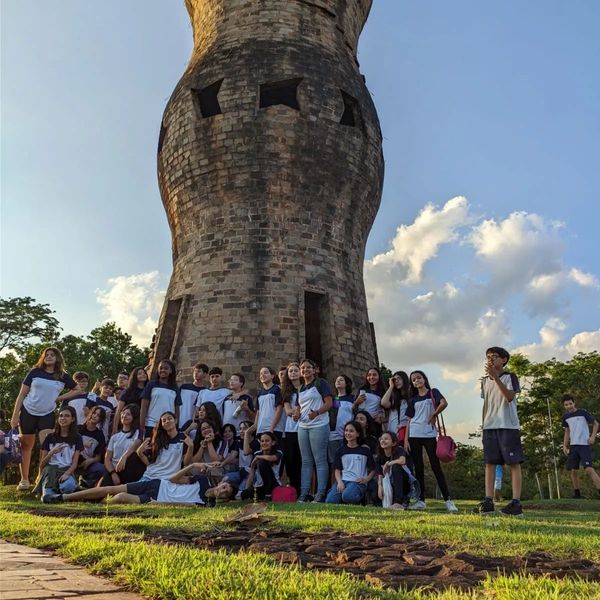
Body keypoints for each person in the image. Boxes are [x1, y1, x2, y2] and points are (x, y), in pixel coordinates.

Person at [10, 347, 81, 491]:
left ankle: (41, 477)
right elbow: (22, 394)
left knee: (46, 446)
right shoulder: (35, 372)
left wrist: (59, 398)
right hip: (27, 411)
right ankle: (24, 479)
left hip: (47, 413)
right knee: (26, 445)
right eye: (46, 355)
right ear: (43, 358)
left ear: (57, 358)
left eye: (52, 355)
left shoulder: (62, 376)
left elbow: (78, 389)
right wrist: (15, 415)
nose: (49, 357)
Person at [44, 462, 237, 505]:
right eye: (224, 486)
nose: (222, 490)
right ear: (220, 483)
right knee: (109, 488)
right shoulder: (202, 480)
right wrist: (192, 466)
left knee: (118, 498)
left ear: (225, 498)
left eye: (226, 492)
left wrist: (158, 504)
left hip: (155, 498)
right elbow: (173, 479)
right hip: (157, 484)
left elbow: (182, 504)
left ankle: (91, 503)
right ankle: (62, 497)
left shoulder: (206, 505)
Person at [476, 347, 523, 516]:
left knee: (513, 463)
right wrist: (484, 424)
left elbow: (509, 396)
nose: (490, 359)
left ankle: (516, 503)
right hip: (490, 426)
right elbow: (487, 402)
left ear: (503, 360)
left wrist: (496, 378)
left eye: (494, 357)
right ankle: (488, 501)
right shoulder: (484, 381)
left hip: (507, 426)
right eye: (488, 357)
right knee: (490, 463)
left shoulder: (510, 377)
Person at [405, 370, 458, 513]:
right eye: (414, 380)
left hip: (429, 434)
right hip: (414, 434)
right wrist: (406, 440)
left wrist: (434, 414)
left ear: (424, 379)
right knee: (419, 468)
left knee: (436, 466)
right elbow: (409, 421)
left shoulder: (433, 392)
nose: (417, 381)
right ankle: (421, 501)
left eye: (419, 378)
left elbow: (444, 403)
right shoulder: (413, 400)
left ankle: (448, 500)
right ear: (412, 383)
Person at [297, 359, 333, 503]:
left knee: (320, 460)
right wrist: (296, 413)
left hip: (319, 424)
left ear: (314, 370)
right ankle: (304, 493)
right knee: (306, 461)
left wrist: (317, 412)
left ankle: (320, 493)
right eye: (303, 368)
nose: (305, 370)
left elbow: (329, 403)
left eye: (308, 368)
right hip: (303, 426)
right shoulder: (301, 388)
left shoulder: (321, 383)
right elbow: (299, 406)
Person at [35, 406, 83, 502]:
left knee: (68, 488)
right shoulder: (50, 437)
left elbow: (74, 464)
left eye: (67, 416)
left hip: (66, 470)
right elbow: (42, 464)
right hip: (50, 471)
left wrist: (67, 474)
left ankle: (63, 491)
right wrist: (51, 453)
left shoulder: (77, 438)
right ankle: (55, 493)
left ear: (72, 419)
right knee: (47, 497)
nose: (63, 418)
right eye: (60, 416)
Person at [326, 421, 375, 505]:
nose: (348, 433)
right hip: (343, 481)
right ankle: (345, 497)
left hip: (357, 482)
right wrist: (340, 482)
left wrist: (366, 479)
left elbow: (373, 469)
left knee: (347, 496)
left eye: (351, 431)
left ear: (358, 434)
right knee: (330, 501)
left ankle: (360, 498)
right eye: (346, 430)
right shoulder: (340, 450)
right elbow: (337, 470)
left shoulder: (365, 450)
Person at [562, 394, 600, 498]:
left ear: (574, 403)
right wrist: (564, 446)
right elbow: (567, 431)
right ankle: (577, 494)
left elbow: (596, 424)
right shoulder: (565, 417)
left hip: (584, 445)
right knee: (573, 471)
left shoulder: (583, 413)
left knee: (588, 469)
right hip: (573, 447)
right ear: (564, 406)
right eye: (566, 405)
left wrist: (592, 437)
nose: (569, 406)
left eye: (570, 403)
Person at [135, 412, 191, 481]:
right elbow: (148, 461)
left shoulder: (183, 438)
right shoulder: (158, 439)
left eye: (169, 419)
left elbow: (186, 463)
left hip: (167, 479)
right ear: (162, 425)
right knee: (124, 491)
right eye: (164, 421)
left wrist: (191, 447)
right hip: (150, 476)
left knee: (124, 491)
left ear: (175, 421)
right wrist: (139, 451)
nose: (167, 421)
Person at [100, 404, 145, 487]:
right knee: (100, 491)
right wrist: (113, 473)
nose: (124, 416)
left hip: (129, 469)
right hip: (114, 470)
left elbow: (136, 445)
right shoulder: (115, 436)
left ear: (134, 417)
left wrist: (123, 457)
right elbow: (107, 459)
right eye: (123, 413)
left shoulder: (139, 432)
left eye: (128, 414)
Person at [139, 360, 181, 438]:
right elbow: (144, 406)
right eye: (160, 368)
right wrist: (142, 425)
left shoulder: (175, 388)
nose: (163, 370)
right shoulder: (151, 384)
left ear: (171, 371)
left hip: (168, 425)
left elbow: (177, 408)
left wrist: (176, 425)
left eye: (166, 368)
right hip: (151, 424)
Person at [241, 431, 283, 501]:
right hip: (261, 486)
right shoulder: (257, 453)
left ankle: (268, 494)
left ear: (273, 442)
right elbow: (252, 474)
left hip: (274, 485)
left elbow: (273, 458)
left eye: (267, 441)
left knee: (262, 462)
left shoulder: (278, 452)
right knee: (244, 494)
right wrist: (247, 490)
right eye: (262, 441)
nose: (264, 443)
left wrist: (258, 457)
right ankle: (265, 495)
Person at [281, 363, 303, 495]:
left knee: (302, 460)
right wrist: (297, 411)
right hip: (290, 429)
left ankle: (302, 489)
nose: (293, 373)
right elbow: (287, 410)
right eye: (290, 372)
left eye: (295, 371)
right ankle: (293, 488)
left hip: (303, 427)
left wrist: (299, 410)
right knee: (290, 460)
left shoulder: (306, 388)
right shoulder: (287, 391)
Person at [377, 431, 410, 510]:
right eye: (381, 439)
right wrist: (380, 487)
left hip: (404, 482)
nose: (383, 441)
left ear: (394, 443)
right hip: (390, 482)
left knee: (396, 466)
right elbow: (379, 475)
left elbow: (402, 461)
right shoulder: (379, 456)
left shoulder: (399, 450)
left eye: (386, 439)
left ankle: (398, 502)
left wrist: (388, 464)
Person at [328, 375, 355, 469]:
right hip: (333, 435)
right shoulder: (334, 399)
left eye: (341, 380)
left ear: (346, 384)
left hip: (347, 435)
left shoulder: (352, 398)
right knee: (334, 464)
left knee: (347, 462)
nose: (338, 381)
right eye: (337, 380)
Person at [76, 406, 107, 488]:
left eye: (99, 415)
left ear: (100, 420)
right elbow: (68, 445)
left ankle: (84, 485)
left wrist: (91, 460)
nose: (95, 416)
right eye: (94, 413)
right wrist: (82, 444)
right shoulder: (78, 429)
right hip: (72, 460)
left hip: (87, 462)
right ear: (90, 414)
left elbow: (98, 457)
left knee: (101, 468)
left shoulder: (100, 435)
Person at [112, 367, 148, 434]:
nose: (143, 374)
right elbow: (118, 410)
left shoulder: (148, 391)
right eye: (139, 373)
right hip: (126, 423)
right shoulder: (128, 391)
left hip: (141, 423)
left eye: (144, 373)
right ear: (135, 376)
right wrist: (114, 428)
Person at [254, 367, 285, 440]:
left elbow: (279, 410)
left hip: (275, 429)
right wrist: (255, 427)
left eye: (265, 372)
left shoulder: (277, 389)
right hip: (261, 430)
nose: (263, 375)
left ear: (272, 376)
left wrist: (271, 428)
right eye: (261, 373)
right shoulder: (260, 393)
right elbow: (258, 412)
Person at [353, 368, 386, 434]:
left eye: (374, 375)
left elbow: (388, 411)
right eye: (369, 375)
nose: (371, 377)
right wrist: (357, 401)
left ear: (379, 376)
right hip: (360, 423)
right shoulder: (362, 389)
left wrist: (382, 419)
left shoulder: (383, 391)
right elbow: (353, 407)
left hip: (374, 424)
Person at [380, 371, 410, 441]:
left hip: (405, 431)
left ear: (404, 380)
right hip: (393, 432)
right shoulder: (394, 398)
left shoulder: (410, 397)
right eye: (395, 380)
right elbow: (383, 403)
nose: (397, 381)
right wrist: (391, 387)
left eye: (399, 378)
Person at [179, 364, 207, 431]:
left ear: (205, 374)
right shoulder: (183, 387)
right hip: (179, 422)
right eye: (195, 371)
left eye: (199, 371)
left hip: (193, 425)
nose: (196, 373)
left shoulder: (205, 392)